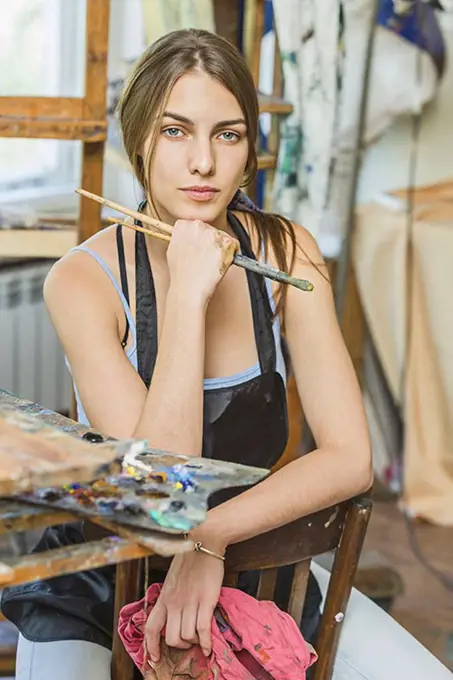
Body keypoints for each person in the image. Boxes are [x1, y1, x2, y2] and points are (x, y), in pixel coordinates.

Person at [3, 28, 451, 680]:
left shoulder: (285, 252)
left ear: (248, 151)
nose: (203, 164)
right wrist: (187, 294)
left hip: (256, 560)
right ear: (138, 141)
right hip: (102, 579)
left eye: (228, 134)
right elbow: (160, 496)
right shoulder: (80, 281)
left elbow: (351, 459)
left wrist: (210, 542)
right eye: (176, 131)